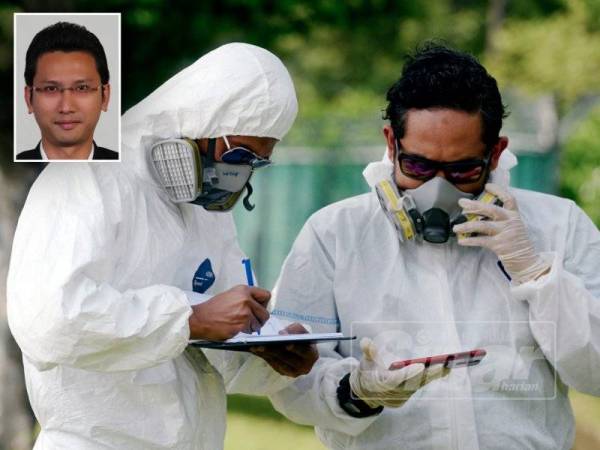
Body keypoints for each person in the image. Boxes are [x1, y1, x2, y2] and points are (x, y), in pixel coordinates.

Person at [266, 43, 600, 449]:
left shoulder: (559, 224)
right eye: (419, 167)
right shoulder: (335, 233)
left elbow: (595, 373)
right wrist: (357, 392)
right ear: (391, 143)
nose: (437, 188)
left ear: (496, 152)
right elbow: (288, 380)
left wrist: (537, 274)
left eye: (462, 170)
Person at [7, 42, 317, 450]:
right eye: (238, 154)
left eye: (254, 163)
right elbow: (50, 320)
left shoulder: (208, 210)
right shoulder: (88, 178)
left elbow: (214, 350)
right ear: (201, 121)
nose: (238, 174)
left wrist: (273, 354)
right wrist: (189, 318)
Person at [17, 21, 118, 160]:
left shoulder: (132, 171)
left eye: (82, 88)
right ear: (29, 98)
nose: (66, 108)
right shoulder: (8, 173)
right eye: (51, 89)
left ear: (105, 97)